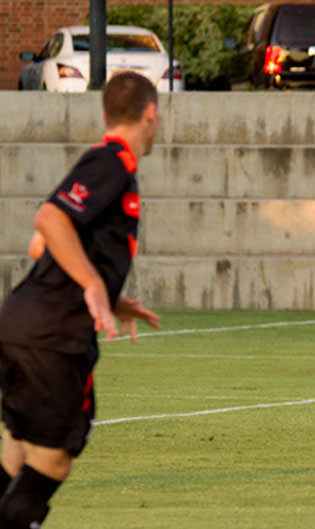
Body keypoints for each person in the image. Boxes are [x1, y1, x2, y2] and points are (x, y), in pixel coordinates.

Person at [0, 71, 162, 527]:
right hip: (52, 332)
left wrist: (112, 296)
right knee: (51, 462)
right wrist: (92, 283)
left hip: (25, 322)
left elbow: (41, 246)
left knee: (17, 456)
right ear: (152, 114)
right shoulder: (112, 162)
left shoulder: (107, 165)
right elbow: (50, 219)